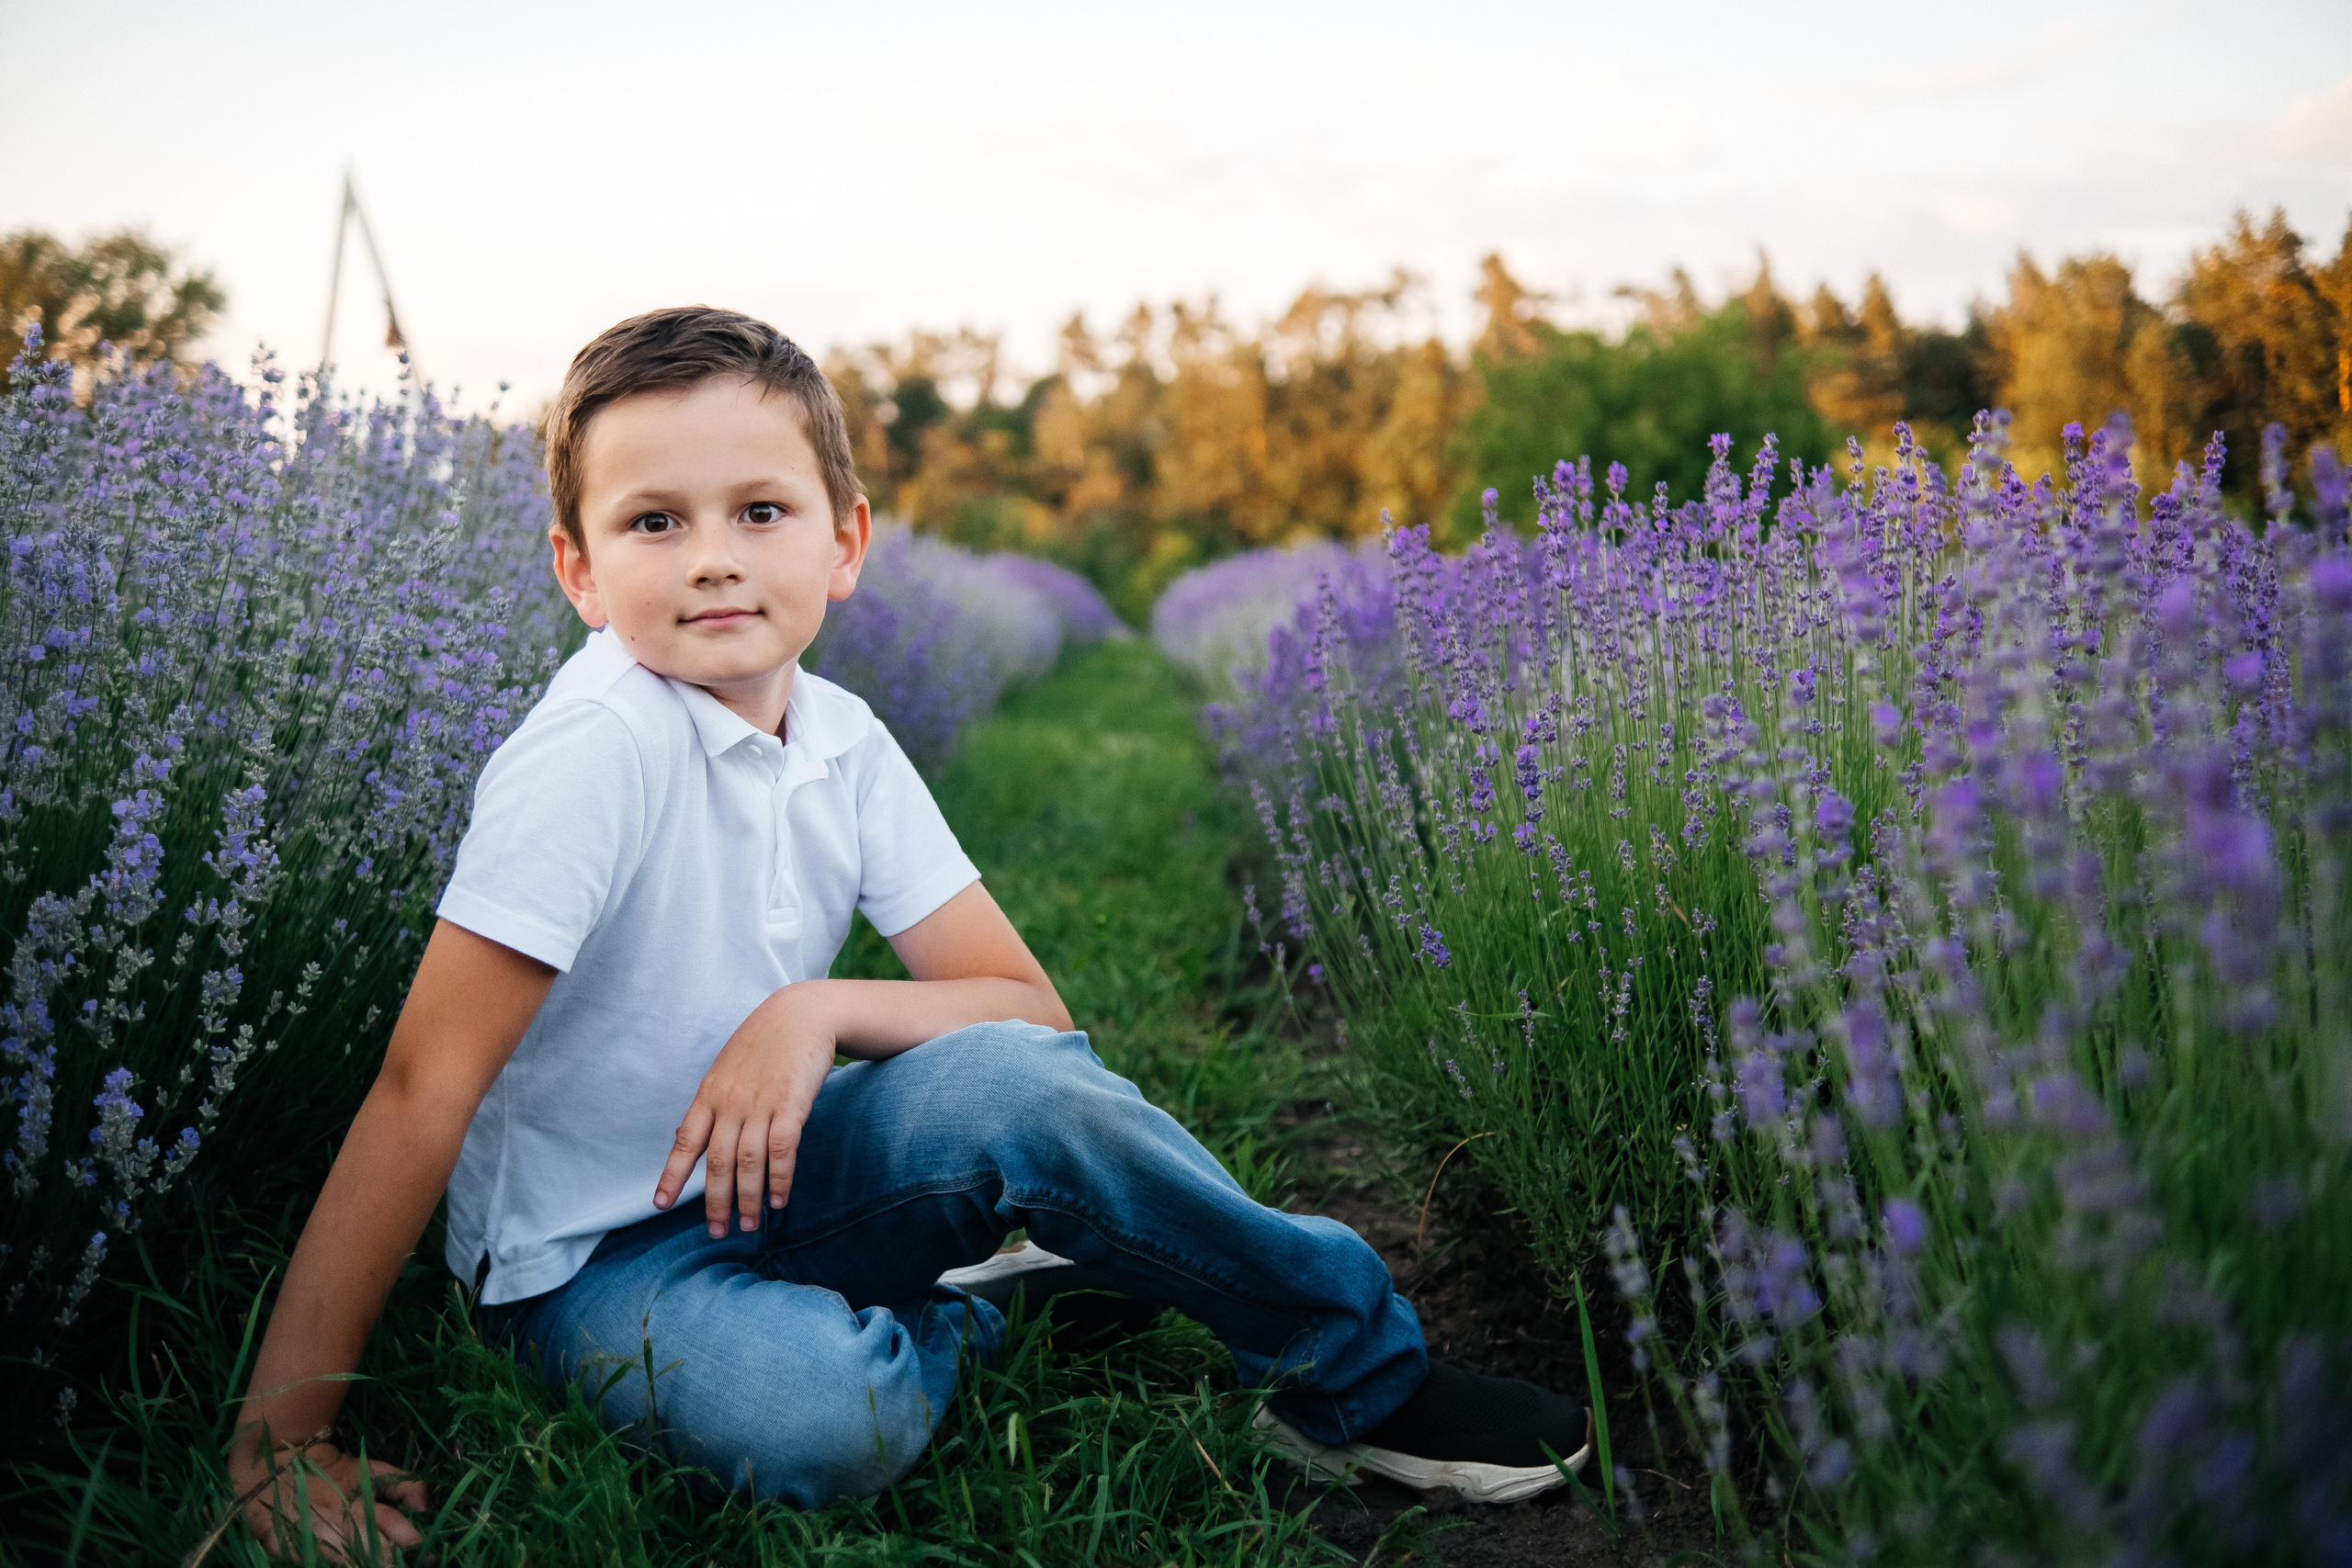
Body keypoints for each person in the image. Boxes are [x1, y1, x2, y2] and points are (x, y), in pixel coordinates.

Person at [226, 306, 1591, 1559]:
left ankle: (1347, 1369)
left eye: (760, 510)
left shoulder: (843, 736)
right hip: (589, 1259)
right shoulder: (591, 755)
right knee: (831, 1420)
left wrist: (813, 1012)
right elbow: (424, 1087)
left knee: (1031, 1090)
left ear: (845, 542)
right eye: (654, 524)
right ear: (580, 572)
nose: (712, 558)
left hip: (792, 1167)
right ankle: (996, 1299)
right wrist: (283, 1440)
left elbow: (1028, 1011)